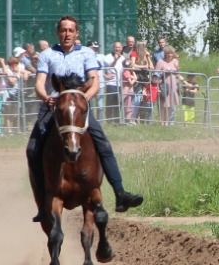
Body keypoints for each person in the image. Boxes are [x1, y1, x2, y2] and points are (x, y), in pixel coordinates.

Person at [26, 16, 143, 223]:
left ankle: (120, 193)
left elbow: (94, 82)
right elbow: (40, 83)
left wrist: (84, 100)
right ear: (58, 33)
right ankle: (42, 206)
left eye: (71, 30)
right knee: (33, 149)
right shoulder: (47, 55)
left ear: (77, 33)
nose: (67, 34)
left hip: (78, 108)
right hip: (53, 106)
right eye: (63, 30)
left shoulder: (87, 54)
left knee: (103, 144)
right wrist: (46, 97)